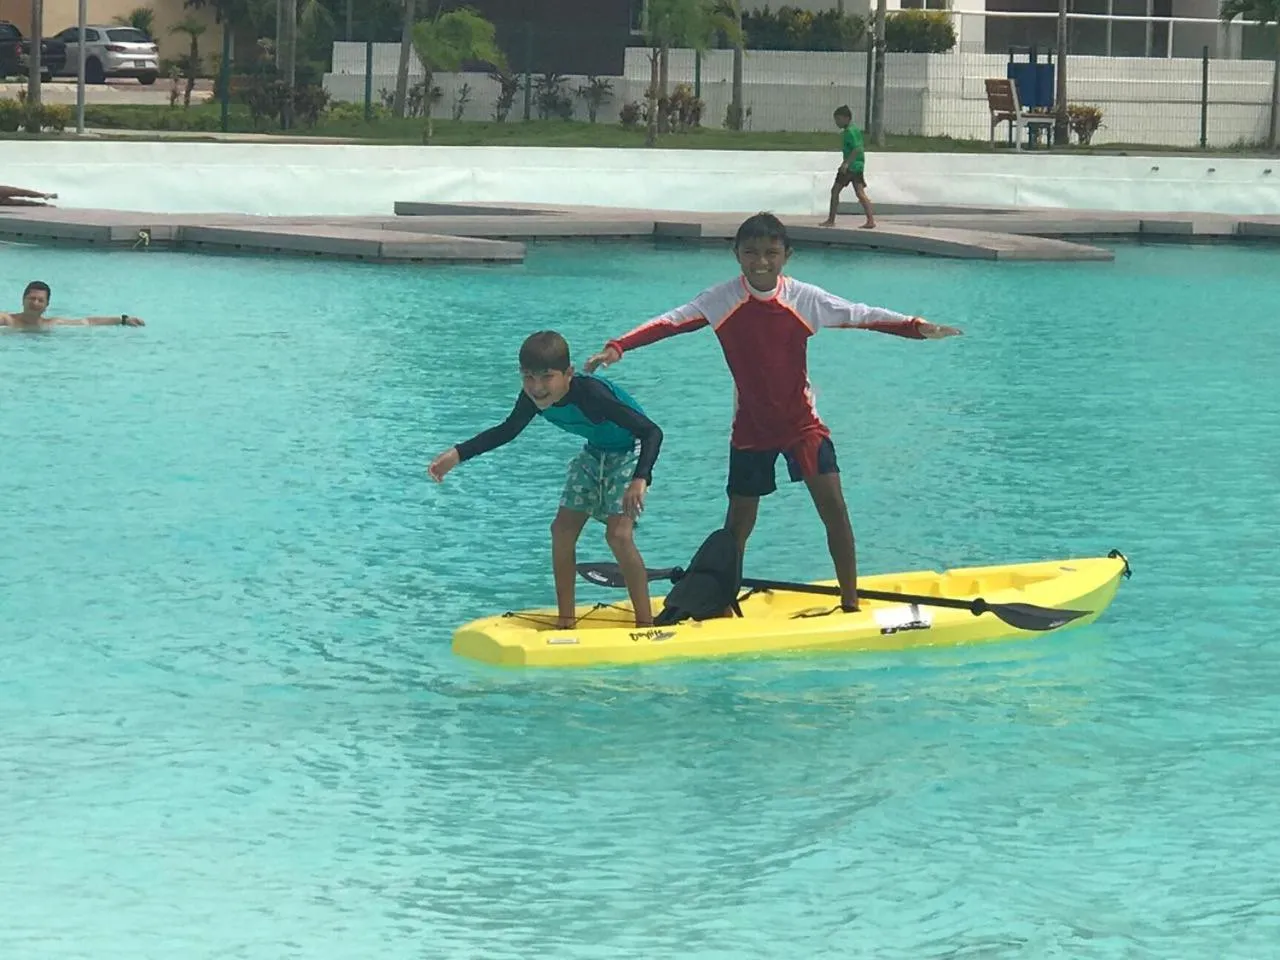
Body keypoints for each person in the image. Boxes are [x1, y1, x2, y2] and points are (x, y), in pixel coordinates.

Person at [585, 212, 962, 613]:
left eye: (771, 253)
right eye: (751, 253)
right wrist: (619, 346)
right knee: (737, 528)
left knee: (834, 510)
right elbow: (670, 322)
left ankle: (850, 602)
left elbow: (861, 313)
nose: (761, 262)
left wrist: (916, 327)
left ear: (787, 255)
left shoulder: (805, 299)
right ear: (737, 255)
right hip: (751, 429)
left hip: (803, 426)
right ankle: (724, 605)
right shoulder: (720, 299)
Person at [428, 330, 664, 629]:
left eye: (546, 377)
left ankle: (646, 624)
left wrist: (640, 479)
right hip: (595, 452)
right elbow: (507, 430)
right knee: (561, 531)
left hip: (631, 450)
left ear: (568, 374)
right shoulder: (531, 399)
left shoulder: (592, 395)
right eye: (528, 377)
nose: (537, 388)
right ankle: (566, 621)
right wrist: (457, 455)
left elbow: (652, 432)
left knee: (618, 535)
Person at [820, 105, 876, 229]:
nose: (836, 122)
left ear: (846, 118)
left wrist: (846, 164)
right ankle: (870, 220)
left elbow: (857, 149)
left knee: (835, 191)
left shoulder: (850, 131)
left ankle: (831, 220)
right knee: (860, 193)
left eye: (838, 119)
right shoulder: (854, 129)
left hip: (851, 167)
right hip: (858, 166)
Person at [2, 281, 145, 329]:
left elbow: (88, 321)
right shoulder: (7, 320)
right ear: (23, 299)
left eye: (40, 300)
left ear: (47, 305)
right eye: (31, 298)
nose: (35, 303)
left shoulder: (52, 324)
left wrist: (123, 320)